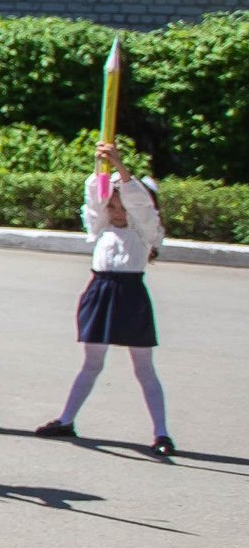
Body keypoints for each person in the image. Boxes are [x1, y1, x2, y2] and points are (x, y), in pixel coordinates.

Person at [36, 145, 173, 454]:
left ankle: (161, 434)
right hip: (100, 291)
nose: (115, 207)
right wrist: (103, 167)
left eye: (119, 201)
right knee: (92, 363)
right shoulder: (100, 227)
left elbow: (141, 205)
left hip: (130, 294)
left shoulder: (145, 230)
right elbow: (92, 199)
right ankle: (66, 420)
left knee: (144, 368)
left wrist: (120, 166)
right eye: (111, 202)